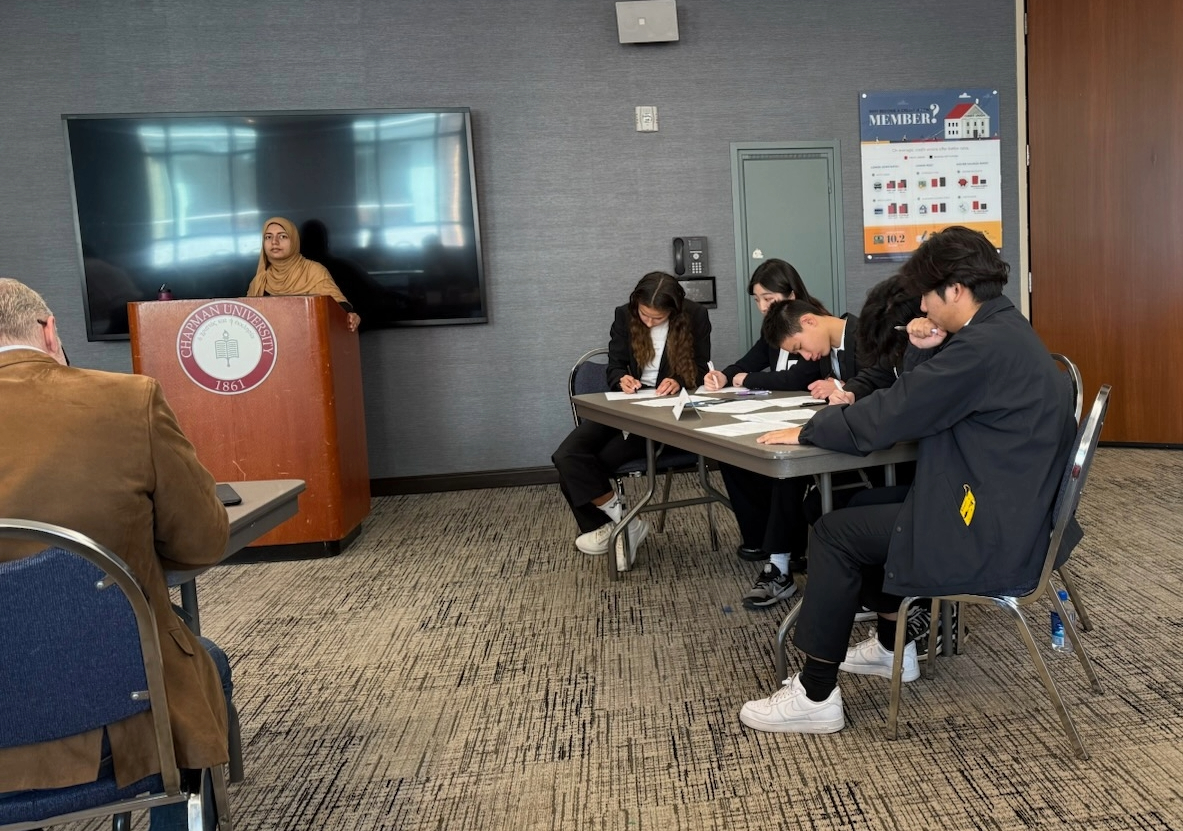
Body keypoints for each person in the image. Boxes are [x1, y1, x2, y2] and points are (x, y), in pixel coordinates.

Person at [737, 226, 1079, 735]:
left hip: (990, 532)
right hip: (1009, 509)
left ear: (955, 291)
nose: (920, 305)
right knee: (863, 507)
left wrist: (809, 428)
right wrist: (924, 345)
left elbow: (895, 413)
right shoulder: (1005, 331)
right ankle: (892, 647)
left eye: (925, 294)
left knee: (834, 533)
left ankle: (815, 696)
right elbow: (924, 396)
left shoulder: (979, 349)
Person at [0, 278, 232, 829]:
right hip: (119, 722)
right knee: (203, 663)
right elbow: (203, 540)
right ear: (49, 331)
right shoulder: (128, 400)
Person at [553, 272, 711, 572]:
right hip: (625, 405)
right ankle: (624, 522)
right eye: (645, 315)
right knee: (567, 456)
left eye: (658, 317)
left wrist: (678, 380)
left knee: (590, 463)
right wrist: (620, 378)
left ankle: (609, 527)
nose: (649, 322)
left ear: (674, 311)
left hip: (666, 414)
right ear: (635, 304)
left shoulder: (695, 315)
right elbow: (615, 364)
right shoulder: (623, 315)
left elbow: (702, 367)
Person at [699, 260, 826, 608]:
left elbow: (796, 379)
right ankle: (763, 540)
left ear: (792, 295)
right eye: (756, 300)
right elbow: (747, 362)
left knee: (782, 471)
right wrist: (726, 376)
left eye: (767, 298)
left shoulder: (814, 327)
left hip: (811, 423)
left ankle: (780, 562)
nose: (762, 307)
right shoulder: (772, 333)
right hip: (774, 418)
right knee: (733, 456)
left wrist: (747, 380)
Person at [246, 216, 362, 332]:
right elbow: (247, 322)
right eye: (268, 237)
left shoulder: (313, 271)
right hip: (272, 346)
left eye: (282, 236)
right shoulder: (259, 281)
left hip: (310, 343)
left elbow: (339, 308)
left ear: (294, 241)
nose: (274, 242)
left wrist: (350, 317)